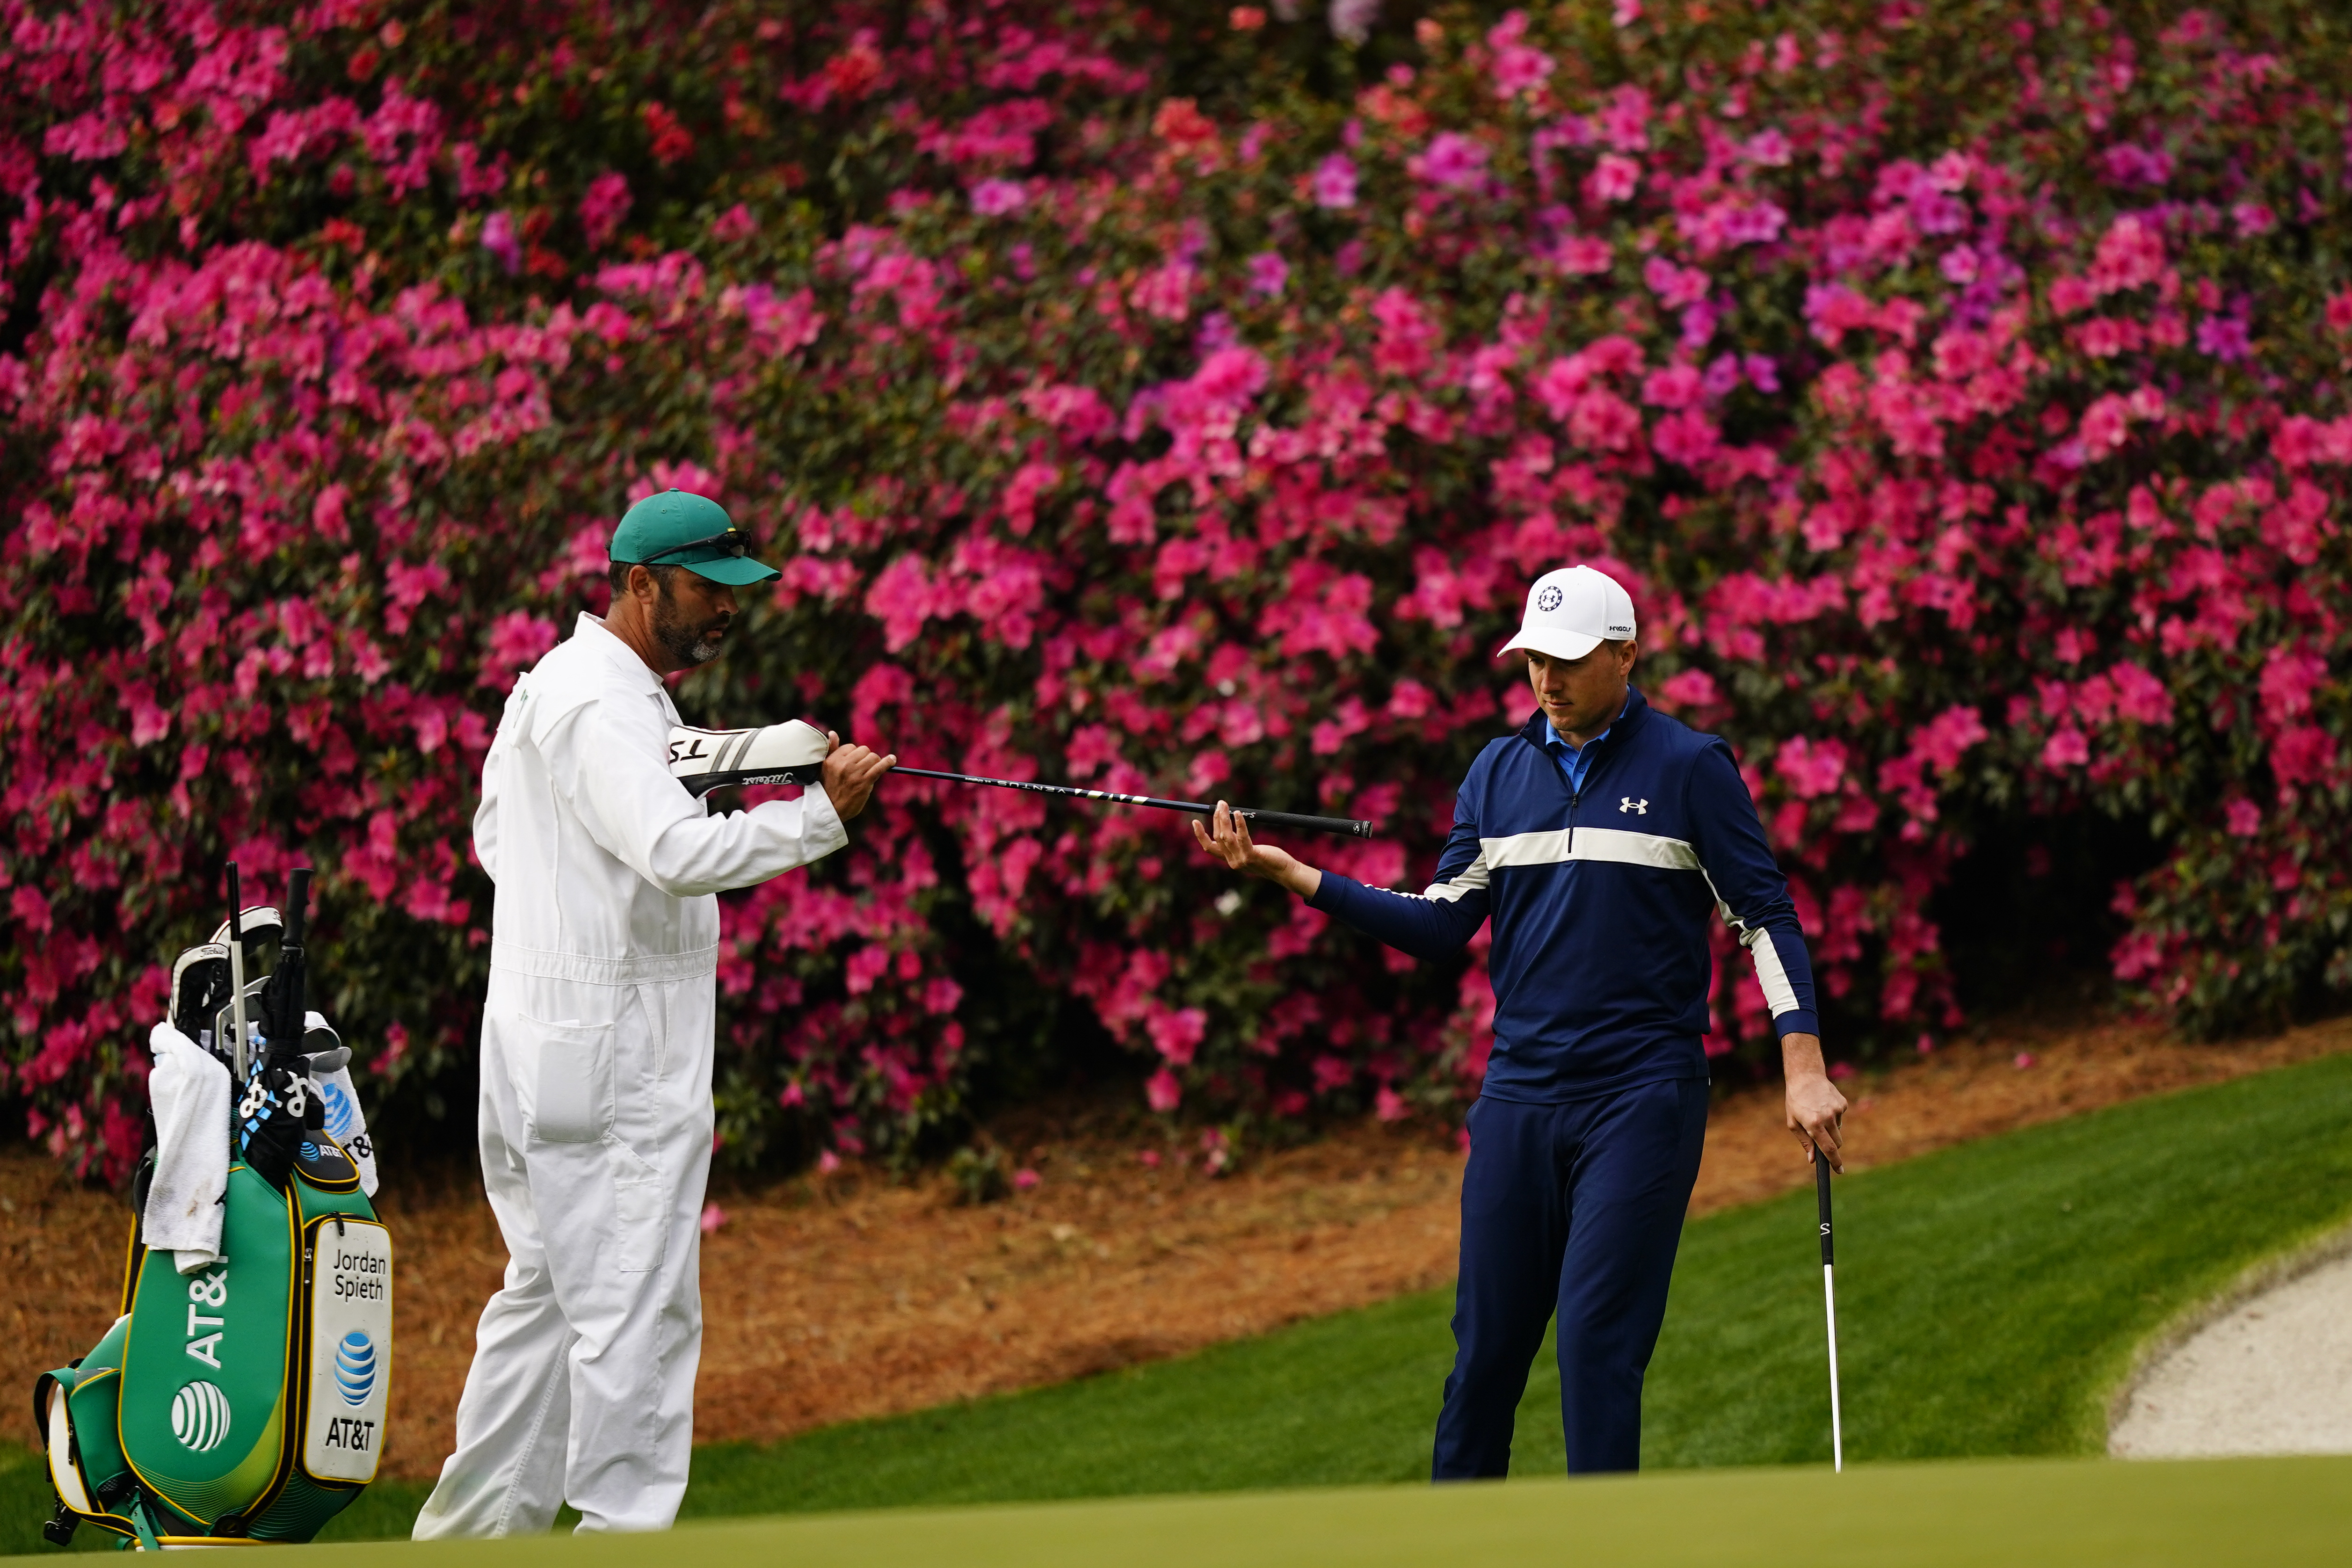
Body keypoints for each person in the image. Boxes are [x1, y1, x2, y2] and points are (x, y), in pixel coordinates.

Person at [1192, 563, 1848, 1478]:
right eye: (1535, 658)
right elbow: (1438, 921)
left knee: (1593, 1348)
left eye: (1570, 659)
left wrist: (1803, 1065)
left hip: (1641, 1097)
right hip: (1519, 1100)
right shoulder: (1497, 773)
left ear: (1625, 653)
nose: (1548, 678)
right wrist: (1293, 875)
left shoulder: (1690, 766)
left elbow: (1763, 917)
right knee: (1484, 1364)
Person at [414, 491, 894, 1536]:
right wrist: (819, 817)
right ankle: (620, 1539)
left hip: (545, 1051)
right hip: (612, 1061)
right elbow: (675, 854)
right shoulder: (601, 702)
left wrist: (761, 761)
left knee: (545, 1310)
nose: (727, 612)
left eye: (738, 594)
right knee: (640, 1312)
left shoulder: (563, 683)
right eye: (705, 591)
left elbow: (505, 838)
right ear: (639, 584)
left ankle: (467, 1545)